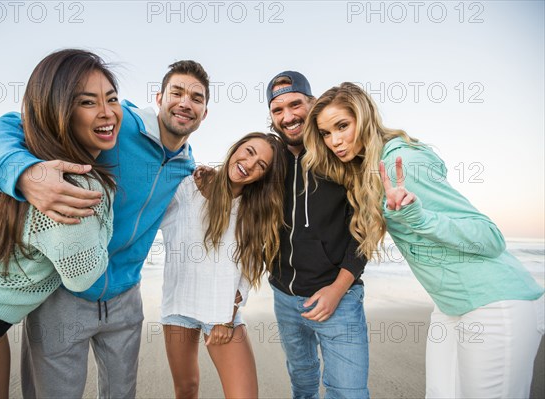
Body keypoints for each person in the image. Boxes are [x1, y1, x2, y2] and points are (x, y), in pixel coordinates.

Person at [0, 60, 210, 398]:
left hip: (125, 300)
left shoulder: (186, 167)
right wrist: (25, 175)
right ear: (160, 97)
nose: (185, 103)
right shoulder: (118, 121)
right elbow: (2, 127)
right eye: (177, 92)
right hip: (63, 294)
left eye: (197, 98)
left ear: (205, 113)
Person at [302, 81, 545, 398]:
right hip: (449, 306)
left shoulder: (402, 163)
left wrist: (419, 216)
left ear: (364, 118)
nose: (334, 141)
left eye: (342, 126)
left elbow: (490, 238)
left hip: (495, 302)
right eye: (325, 133)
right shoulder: (369, 173)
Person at [0, 49, 120, 398]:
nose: (107, 113)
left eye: (112, 98)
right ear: (60, 113)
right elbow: (83, 275)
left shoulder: (36, 167)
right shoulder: (68, 185)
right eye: (88, 102)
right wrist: (105, 207)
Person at [266, 72, 369, 398]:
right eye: (277, 109)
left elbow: (365, 232)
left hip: (339, 298)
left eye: (295, 104)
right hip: (284, 296)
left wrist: (338, 290)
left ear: (313, 104)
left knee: (348, 392)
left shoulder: (341, 155)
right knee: (303, 379)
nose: (288, 116)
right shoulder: (271, 160)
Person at [160, 132, 286, 399]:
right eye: (249, 151)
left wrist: (227, 317)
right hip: (179, 305)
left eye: (261, 165)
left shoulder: (255, 212)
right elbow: (144, 212)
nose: (250, 164)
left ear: (263, 176)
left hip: (222, 312)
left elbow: (248, 271)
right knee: (186, 389)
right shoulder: (187, 186)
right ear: (237, 147)